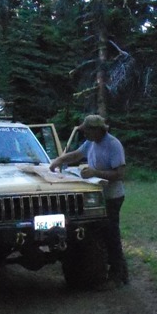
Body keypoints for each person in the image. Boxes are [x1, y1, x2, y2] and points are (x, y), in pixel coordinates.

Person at [50, 114, 129, 286]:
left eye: (87, 130)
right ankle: (120, 273)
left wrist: (95, 173)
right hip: (96, 197)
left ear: (98, 130)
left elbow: (120, 174)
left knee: (111, 235)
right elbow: (76, 155)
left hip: (112, 197)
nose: (85, 134)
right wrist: (58, 161)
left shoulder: (113, 145)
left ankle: (117, 275)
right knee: (100, 234)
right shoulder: (91, 143)